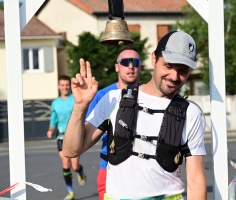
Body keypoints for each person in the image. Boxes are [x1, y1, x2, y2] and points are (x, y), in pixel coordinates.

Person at [63, 31, 207, 199]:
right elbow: (71, 150)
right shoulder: (113, 99)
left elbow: (196, 180)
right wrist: (80, 106)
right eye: (168, 66)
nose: (174, 76)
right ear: (154, 59)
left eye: (183, 70)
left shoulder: (191, 113)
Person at [86, 45, 142, 200]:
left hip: (144, 168)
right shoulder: (103, 95)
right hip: (110, 166)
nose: (131, 66)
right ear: (117, 67)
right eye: (125, 62)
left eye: (135, 62)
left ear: (140, 67)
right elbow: (87, 132)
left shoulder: (149, 94)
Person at [46, 75, 87, 200]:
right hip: (61, 136)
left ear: (69, 86)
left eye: (66, 85)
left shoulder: (75, 99)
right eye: (62, 85)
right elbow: (54, 120)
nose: (65, 87)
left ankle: (80, 171)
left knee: (74, 166)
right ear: (59, 86)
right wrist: (51, 129)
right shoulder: (55, 103)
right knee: (65, 162)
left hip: (74, 135)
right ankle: (70, 192)